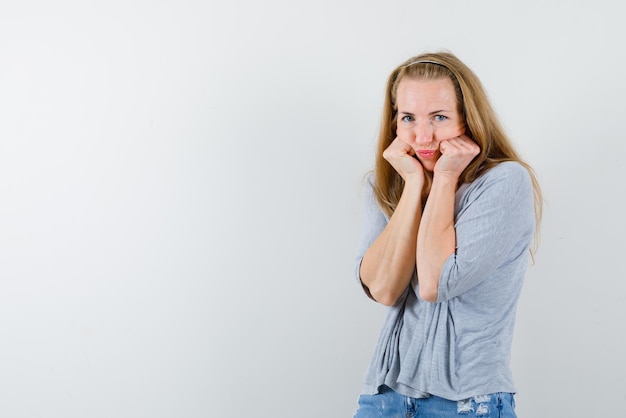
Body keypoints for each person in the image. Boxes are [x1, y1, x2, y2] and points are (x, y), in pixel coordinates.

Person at [352, 51, 542, 417]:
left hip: (468, 403)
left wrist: (445, 177)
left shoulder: (502, 182)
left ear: (468, 119)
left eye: (439, 117)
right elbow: (384, 289)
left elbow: (435, 284)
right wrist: (411, 184)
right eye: (408, 118)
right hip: (383, 396)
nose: (423, 136)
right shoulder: (386, 183)